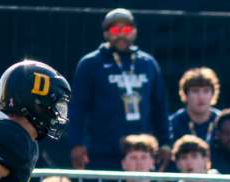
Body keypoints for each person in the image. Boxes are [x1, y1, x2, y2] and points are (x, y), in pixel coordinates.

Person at [69, 8, 171, 172]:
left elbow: (160, 107)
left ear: (135, 32)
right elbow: (78, 108)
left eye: (127, 29)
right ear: (106, 33)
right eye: (116, 30)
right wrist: (76, 143)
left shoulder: (148, 63)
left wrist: (165, 142)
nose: (121, 34)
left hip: (141, 153)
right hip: (102, 152)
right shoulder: (90, 63)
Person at [169, 67, 221, 143]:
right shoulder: (173, 124)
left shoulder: (222, 121)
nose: (201, 96)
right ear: (185, 95)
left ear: (213, 94)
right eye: (195, 91)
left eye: (206, 91)